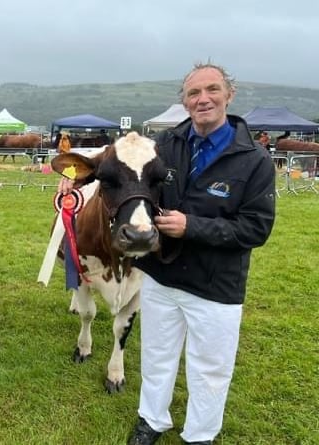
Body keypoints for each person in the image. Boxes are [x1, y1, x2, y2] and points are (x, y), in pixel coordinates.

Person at [127, 63, 276, 445]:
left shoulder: (255, 159)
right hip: (163, 274)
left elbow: (256, 227)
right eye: (193, 93)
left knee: (210, 368)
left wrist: (192, 227)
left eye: (212, 90)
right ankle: (151, 420)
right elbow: (134, 186)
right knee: (156, 355)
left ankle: (200, 435)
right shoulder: (164, 146)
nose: (202, 99)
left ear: (229, 95)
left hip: (216, 283)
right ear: (184, 100)